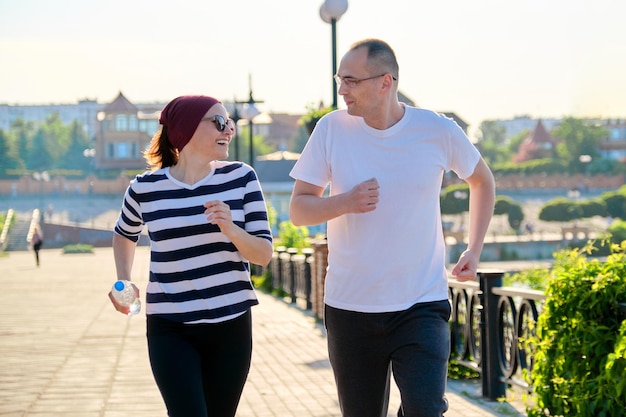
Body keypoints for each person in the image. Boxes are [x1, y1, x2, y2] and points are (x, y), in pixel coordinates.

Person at [289, 39, 496, 417]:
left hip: (421, 303)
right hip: (351, 306)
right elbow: (299, 209)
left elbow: (482, 180)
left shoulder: (436, 130)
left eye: (350, 80)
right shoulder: (331, 129)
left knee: (425, 409)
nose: (341, 90)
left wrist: (474, 249)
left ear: (385, 82)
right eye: (340, 79)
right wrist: (345, 202)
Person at [108, 95, 273, 417]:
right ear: (185, 129)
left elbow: (264, 255)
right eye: (219, 121)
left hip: (231, 324)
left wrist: (231, 228)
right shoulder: (145, 188)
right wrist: (123, 282)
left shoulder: (241, 178)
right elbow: (124, 234)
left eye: (230, 122)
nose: (229, 129)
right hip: (170, 327)